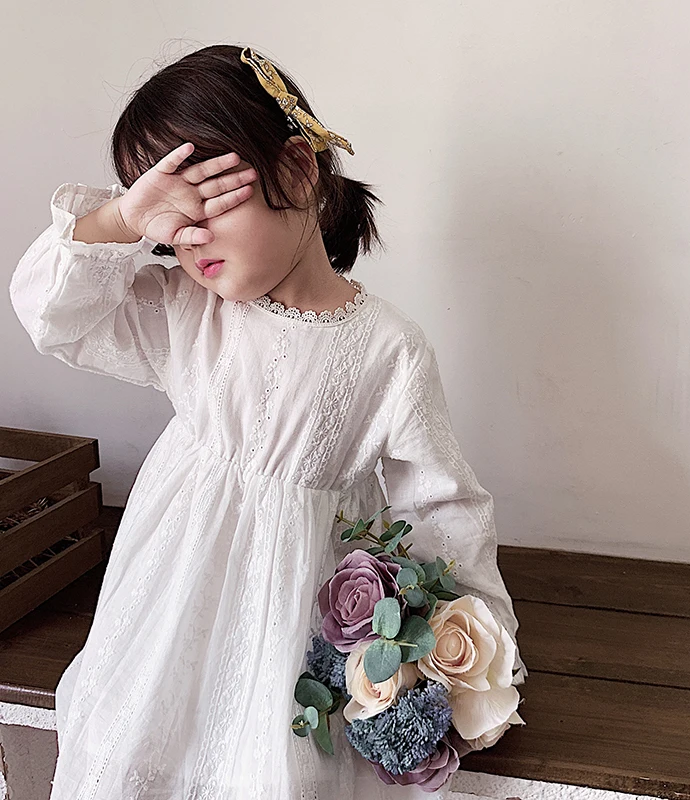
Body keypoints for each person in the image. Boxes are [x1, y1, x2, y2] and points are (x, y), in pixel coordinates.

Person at [8, 43, 528, 800]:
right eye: (167, 221)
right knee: (134, 754)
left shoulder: (388, 348)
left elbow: (442, 504)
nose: (186, 238)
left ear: (295, 170)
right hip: (167, 617)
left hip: (295, 629)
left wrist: (465, 658)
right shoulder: (187, 313)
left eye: (208, 202)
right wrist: (121, 219)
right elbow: (52, 314)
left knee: (269, 773)